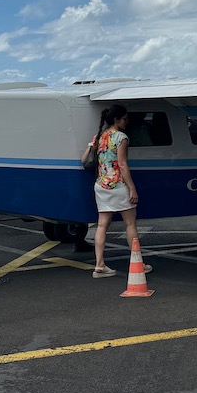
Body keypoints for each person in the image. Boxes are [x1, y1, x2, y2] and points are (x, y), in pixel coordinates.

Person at [81, 104, 146, 278]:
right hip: (118, 185)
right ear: (117, 120)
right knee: (130, 224)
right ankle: (137, 261)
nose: (127, 121)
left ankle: (99, 265)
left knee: (102, 225)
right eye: (124, 119)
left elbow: (84, 160)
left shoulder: (100, 136)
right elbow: (122, 165)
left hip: (101, 186)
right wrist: (132, 188)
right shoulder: (121, 137)